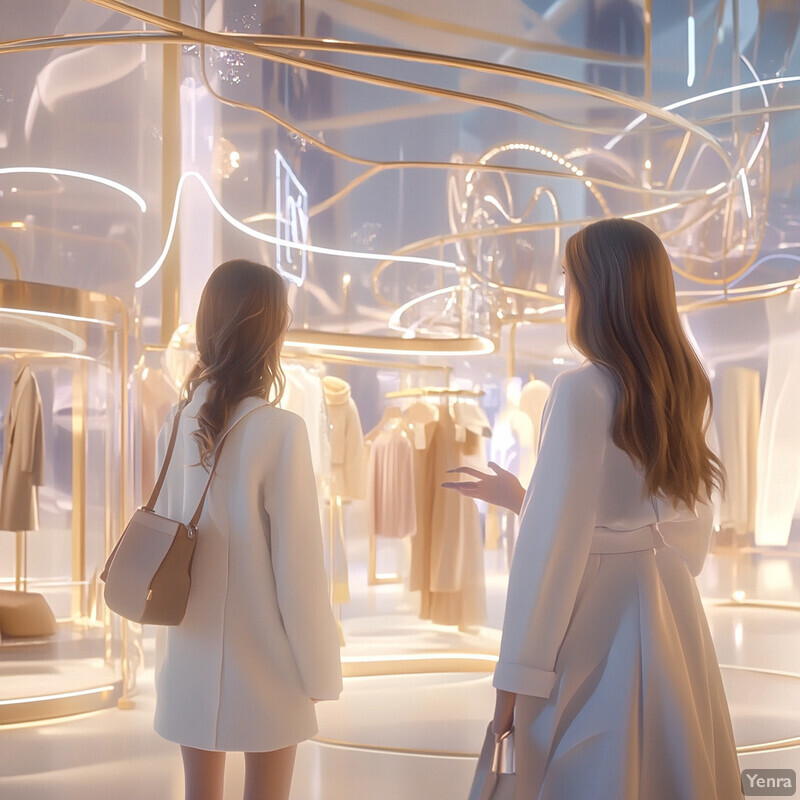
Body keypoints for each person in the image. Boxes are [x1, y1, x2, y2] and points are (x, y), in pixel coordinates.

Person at [444, 218, 743, 800]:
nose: (564, 293)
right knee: (671, 759)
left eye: (569, 278)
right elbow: (685, 533)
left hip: (594, 617)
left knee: (587, 765)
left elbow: (552, 553)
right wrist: (525, 500)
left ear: (597, 290)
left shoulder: (580, 390)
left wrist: (513, 682)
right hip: (669, 604)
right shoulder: (686, 387)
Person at [151, 259, 342, 800]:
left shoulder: (177, 421)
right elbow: (299, 572)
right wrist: (319, 672)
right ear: (270, 330)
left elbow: (167, 535)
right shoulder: (281, 431)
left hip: (190, 650)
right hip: (267, 661)